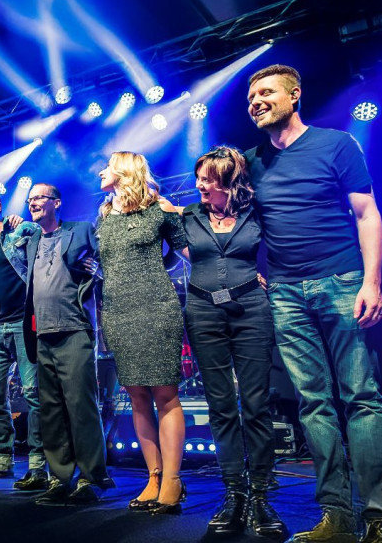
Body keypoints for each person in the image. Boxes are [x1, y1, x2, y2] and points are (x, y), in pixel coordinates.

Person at [245, 64, 382, 543]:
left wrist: (372, 283)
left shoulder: (336, 144)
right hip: (286, 292)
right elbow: (229, 215)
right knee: (313, 403)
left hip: (343, 280)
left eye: (266, 92)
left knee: (361, 396)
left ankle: (378, 517)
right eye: (251, 97)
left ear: (295, 95)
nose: (256, 101)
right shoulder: (252, 161)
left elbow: (367, 214)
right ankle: (337, 518)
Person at [175, 146, 286, 538]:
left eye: (209, 179)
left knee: (256, 404)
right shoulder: (187, 215)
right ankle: (234, 493)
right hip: (203, 312)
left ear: (230, 180)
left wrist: (266, 278)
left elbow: (284, 247)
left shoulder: (256, 213)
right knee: (221, 406)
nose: (200, 185)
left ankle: (261, 495)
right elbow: (148, 198)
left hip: (252, 310)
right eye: (198, 178)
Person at [96, 151, 188, 515]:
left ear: (124, 170)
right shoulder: (104, 214)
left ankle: (173, 481)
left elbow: (185, 251)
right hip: (118, 312)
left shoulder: (158, 209)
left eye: (107, 166)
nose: (101, 171)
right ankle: (154, 476)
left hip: (156, 306)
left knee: (164, 394)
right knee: (136, 395)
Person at [22, 182, 112, 505]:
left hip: (74, 328)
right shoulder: (31, 240)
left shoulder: (80, 230)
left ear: (56, 203)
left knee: (81, 407)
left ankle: (91, 478)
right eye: (29, 199)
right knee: (51, 412)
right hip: (42, 333)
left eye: (39, 197)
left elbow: (108, 263)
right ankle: (59, 478)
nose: (32, 203)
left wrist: (98, 270)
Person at [0, 185, 47, 490]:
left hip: (23, 324)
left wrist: (24, 223)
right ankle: (3, 458)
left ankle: (38, 463)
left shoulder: (17, 232)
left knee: (33, 393)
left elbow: (42, 235)